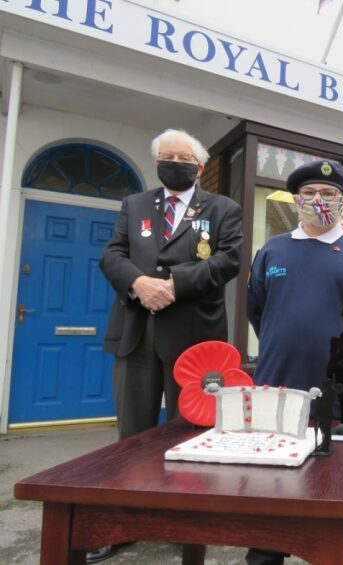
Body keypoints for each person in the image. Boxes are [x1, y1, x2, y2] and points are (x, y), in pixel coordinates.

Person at [95, 129, 243, 562]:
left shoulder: (223, 208)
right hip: (137, 334)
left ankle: (187, 526)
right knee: (132, 438)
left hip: (195, 343)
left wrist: (173, 285)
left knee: (191, 436)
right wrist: (139, 283)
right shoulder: (134, 205)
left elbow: (229, 259)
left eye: (182, 156)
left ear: (199, 167)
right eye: (166, 155)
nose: (173, 161)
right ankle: (126, 524)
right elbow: (112, 255)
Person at [245, 159, 343, 565]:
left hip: (339, 393)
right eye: (309, 194)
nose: (318, 201)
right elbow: (257, 310)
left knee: (337, 484)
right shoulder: (272, 249)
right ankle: (265, 555)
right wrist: (285, 341)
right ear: (295, 201)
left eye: (328, 194)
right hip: (276, 386)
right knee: (271, 486)